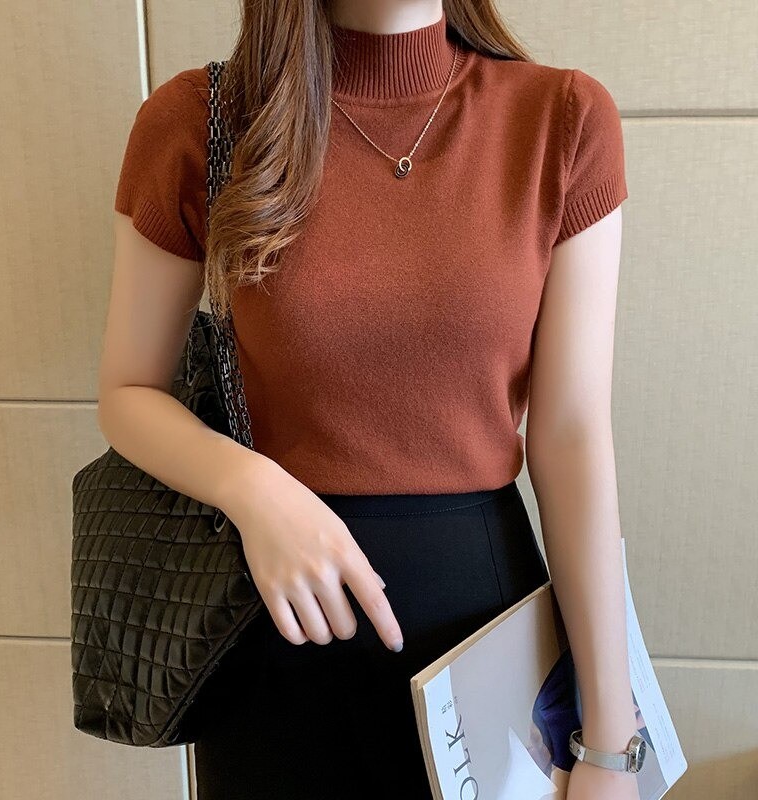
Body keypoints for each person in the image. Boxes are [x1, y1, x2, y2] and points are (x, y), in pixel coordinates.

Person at [101, 1, 639, 798]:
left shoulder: (560, 121)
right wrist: (252, 489)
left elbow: (571, 437)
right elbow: (127, 392)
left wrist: (612, 741)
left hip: (484, 643)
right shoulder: (197, 121)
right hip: (273, 639)